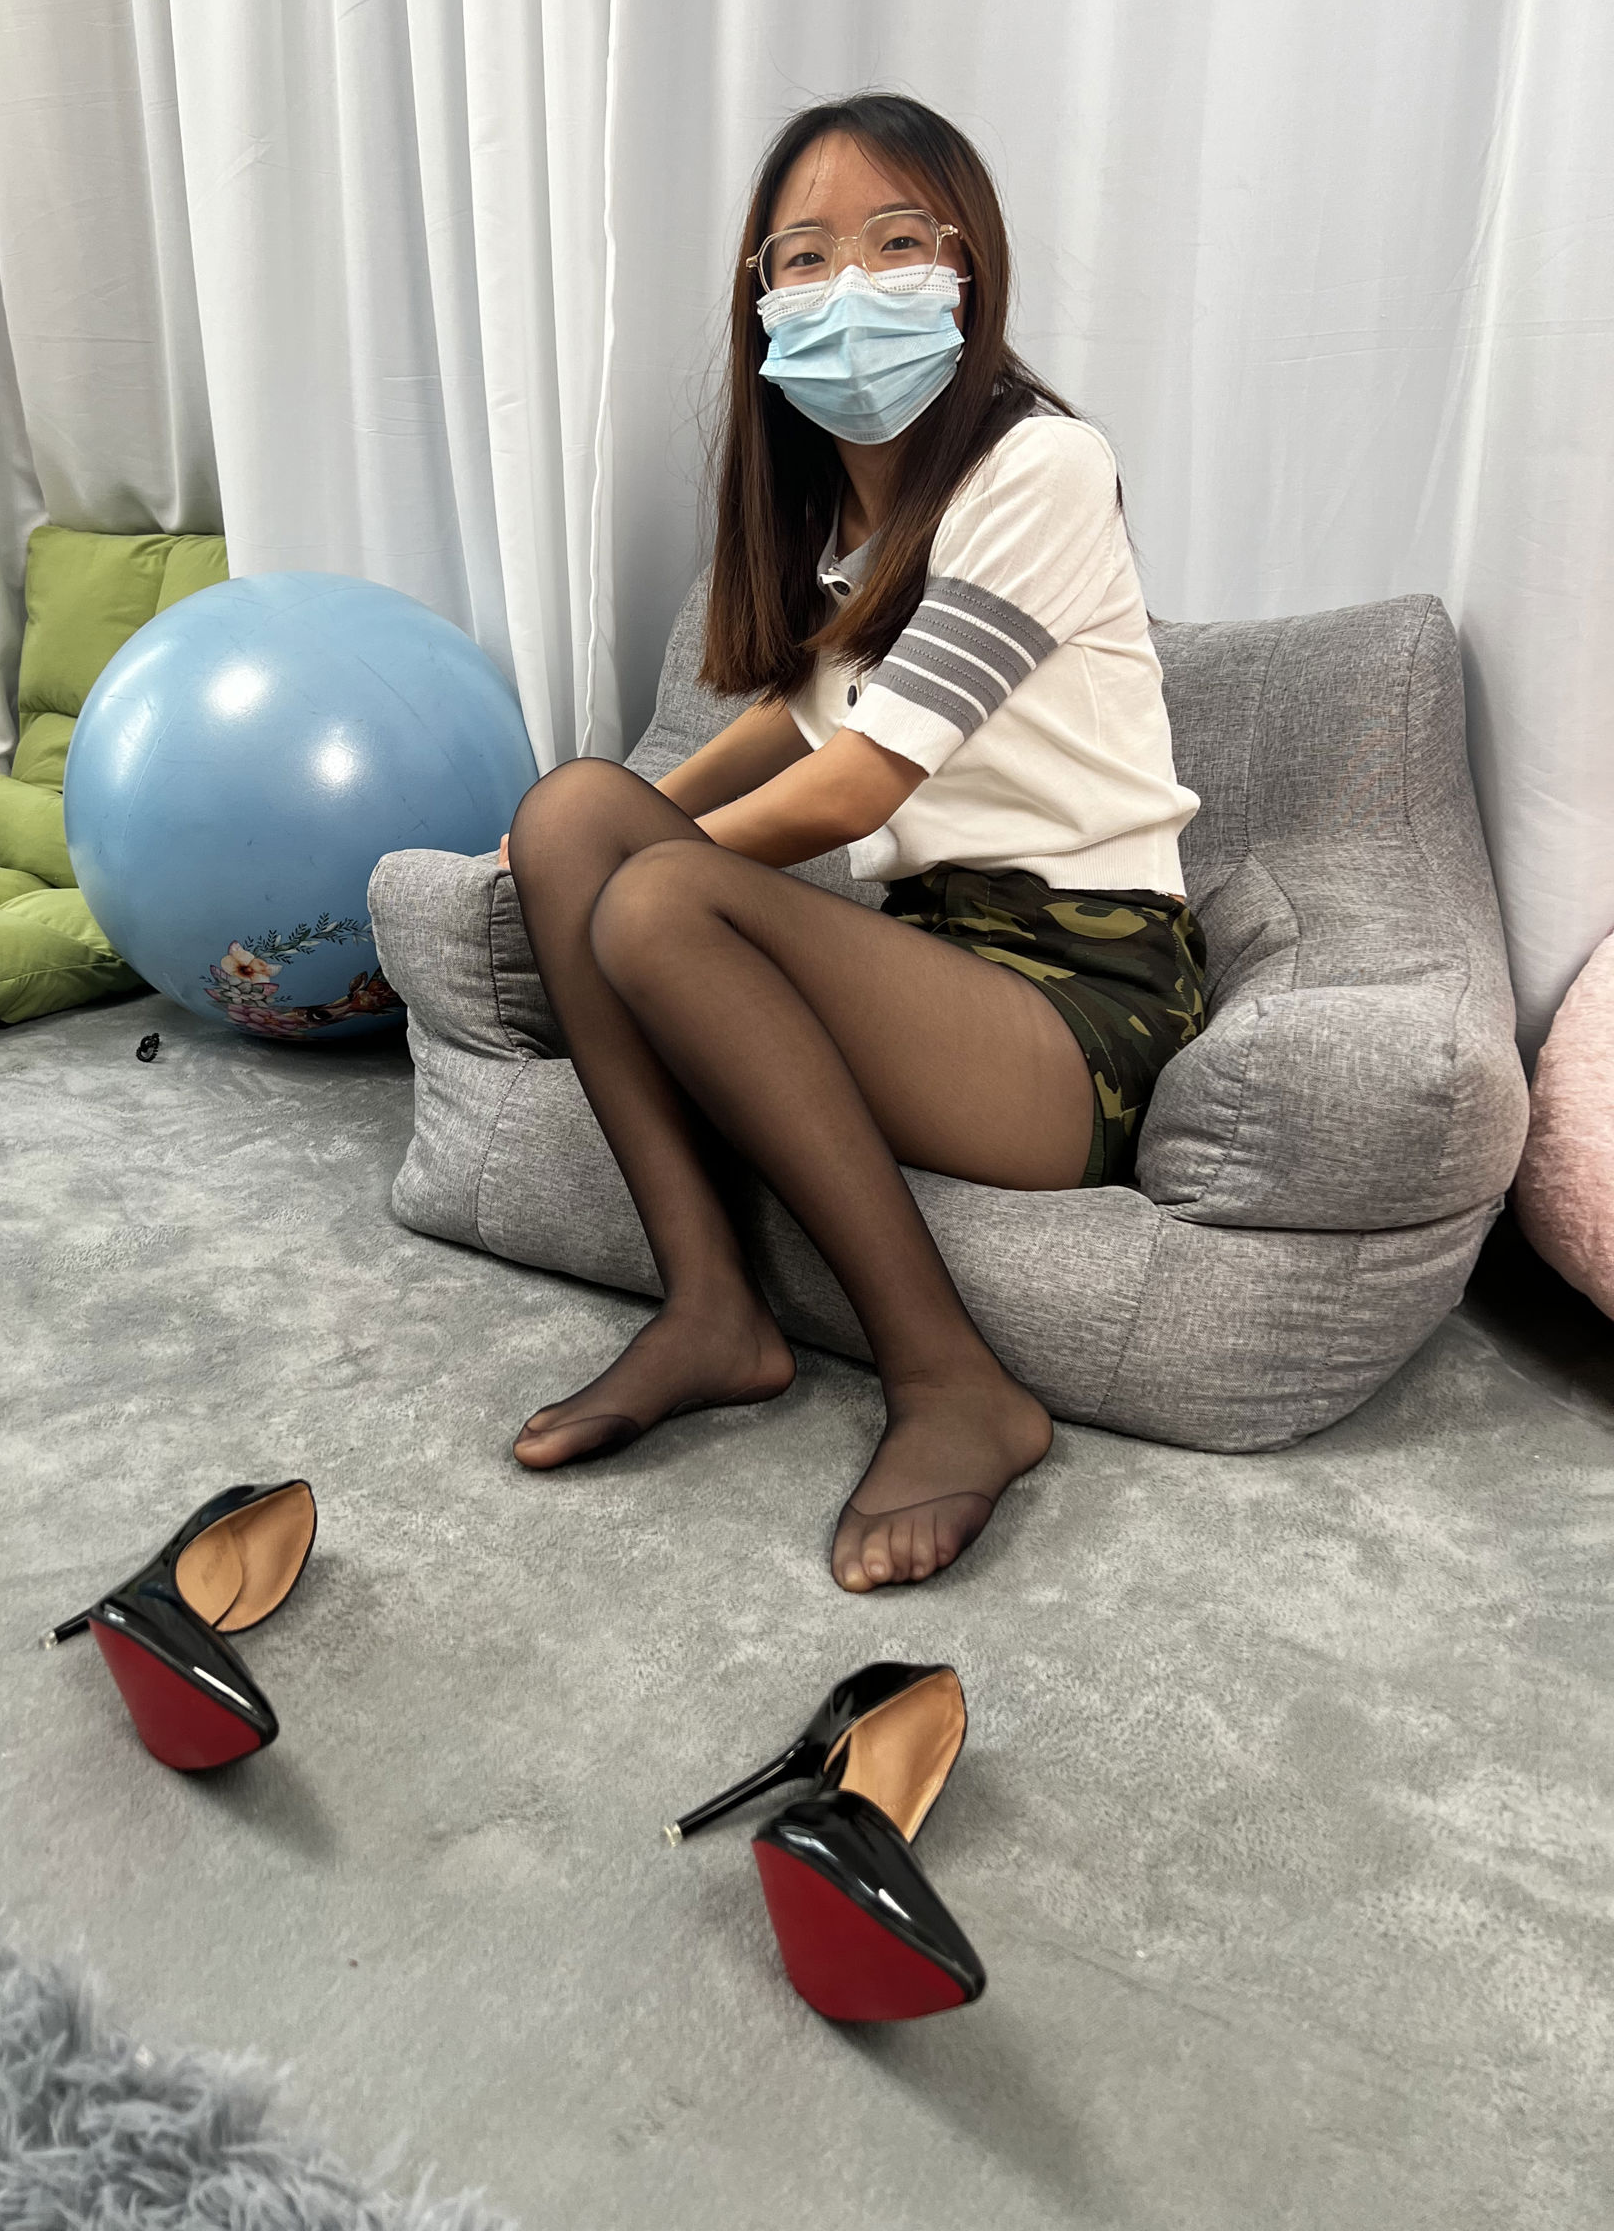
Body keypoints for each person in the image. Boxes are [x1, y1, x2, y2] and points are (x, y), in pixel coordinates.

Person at [499, 92, 1202, 1594]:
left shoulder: (1039, 468)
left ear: (965, 264)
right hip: (939, 966)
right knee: (568, 817)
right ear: (761, 301)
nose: (849, 286)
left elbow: (861, 781)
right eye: (805, 259)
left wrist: (659, 868)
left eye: (894, 243)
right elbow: (802, 714)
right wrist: (615, 828)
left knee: (654, 902)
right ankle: (712, 1308)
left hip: (1085, 1008)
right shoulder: (845, 529)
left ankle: (955, 1385)